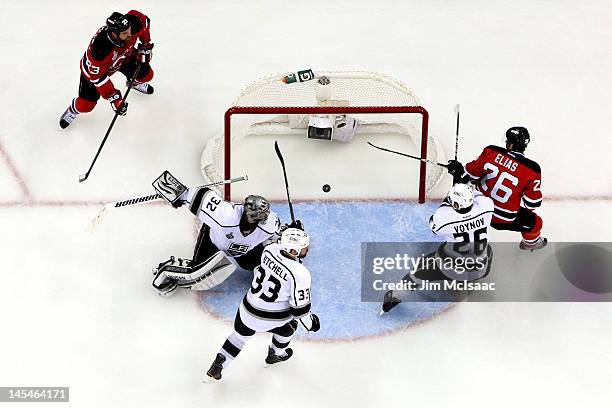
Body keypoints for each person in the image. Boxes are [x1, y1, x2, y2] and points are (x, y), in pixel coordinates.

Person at [150, 171, 298, 297]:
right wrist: (179, 194)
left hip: (244, 252)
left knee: (259, 263)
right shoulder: (225, 216)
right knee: (197, 274)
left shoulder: (270, 223)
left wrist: (293, 232)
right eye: (259, 216)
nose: (264, 218)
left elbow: (279, 234)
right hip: (212, 241)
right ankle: (166, 270)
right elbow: (201, 195)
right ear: (250, 215)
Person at [206, 228, 320, 381]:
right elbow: (300, 312)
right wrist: (311, 324)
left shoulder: (269, 250)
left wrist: (290, 233)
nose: (308, 248)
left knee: (239, 337)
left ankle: (219, 363)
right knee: (289, 327)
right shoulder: (300, 274)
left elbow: (280, 254)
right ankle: (276, 354)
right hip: (271, 319)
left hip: (246, 310)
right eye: (305, 247)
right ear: (294, 250)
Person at [381, 183, 494, 314]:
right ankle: (467, 282)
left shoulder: (444, 218)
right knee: (484, 251)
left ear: (455, 205)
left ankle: (394, 297)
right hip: (482, 267)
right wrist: (465, 185)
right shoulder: (486, 206)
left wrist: (451, 196)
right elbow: (475, 193)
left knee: (420, 269)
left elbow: (433, 225)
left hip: (455, 269)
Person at [447, 127, 546, 251]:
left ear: (509, 144)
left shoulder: (491, 152)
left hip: (477, 209)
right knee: (536, 223)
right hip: (503, 219)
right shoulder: (532, 169)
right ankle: (531, 244)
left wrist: (458, 170)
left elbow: (468, 175)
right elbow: (531, 204)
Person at [59, 11, 155, 129]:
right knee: (86, 105)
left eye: (129, 29)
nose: (130, 34)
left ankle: (133, 82)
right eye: (125, 33)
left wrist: (145, 45)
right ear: (114, 34)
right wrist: (114, 98)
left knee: (147, 75)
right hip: (94, 73)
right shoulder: (99, 50)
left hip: (123, 58)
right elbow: (97, 78)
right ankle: (72, 110)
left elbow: (145, 22)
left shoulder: (134, 24)